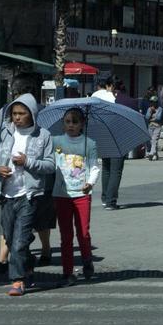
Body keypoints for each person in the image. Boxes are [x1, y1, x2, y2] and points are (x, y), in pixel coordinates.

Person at [0, 94, 56, 297]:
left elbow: (51, 165)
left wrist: (28, 162)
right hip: (6, 193)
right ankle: (27, 264)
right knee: (10, 238)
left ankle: (17, 280)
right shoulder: (4, 133)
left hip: (30, 194)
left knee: (18, 241)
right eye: (14, 113)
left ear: (32, 114)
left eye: (22, 113)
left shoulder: (43, 135)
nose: (17, 117)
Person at [52, 106, 101, 284]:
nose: (71, 125)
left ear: (82, 124)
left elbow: (94, 167)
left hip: (82, 193)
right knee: (66, 235)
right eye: (67, 122)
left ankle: (87, 259)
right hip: (61, 193)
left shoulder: (89, 143)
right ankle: (67, 271)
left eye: (75, 122)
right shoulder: (56, 141)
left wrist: (91, 182)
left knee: (83, 232)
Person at [92, 72, 127, 211]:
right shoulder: (116, 98)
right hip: (116, 135)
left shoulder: (95, 96)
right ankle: (111, 201)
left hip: (100, 136)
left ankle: (105, 198)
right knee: (116, 170)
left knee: (106, 168)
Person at [146, 93, 163, 160]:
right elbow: (146, 117)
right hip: (150, 126)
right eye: (151, 102)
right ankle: (155, 155)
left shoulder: (160, 109)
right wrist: (151, 112)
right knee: (152, 141)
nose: (152, 104)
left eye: (154, 102)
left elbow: (158, 118)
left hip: (157, 126)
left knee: (154, 139)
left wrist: (154, 113)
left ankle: (151, 153)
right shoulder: (149, 109)